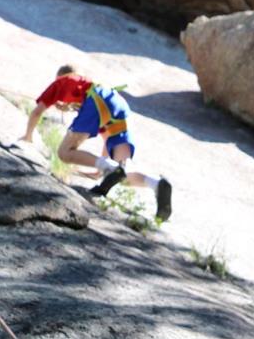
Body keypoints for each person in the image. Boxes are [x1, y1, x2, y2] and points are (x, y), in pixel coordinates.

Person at [19, 64, 173, 221]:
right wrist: (100, 170)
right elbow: (105, 136)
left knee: (64, 153)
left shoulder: (61, 82)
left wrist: (28, 136)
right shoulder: (88, 86)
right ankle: (156, 184)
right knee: (122, 173)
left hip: (97, 102)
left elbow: (37, 111)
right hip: (117, 102)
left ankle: (110, 168)